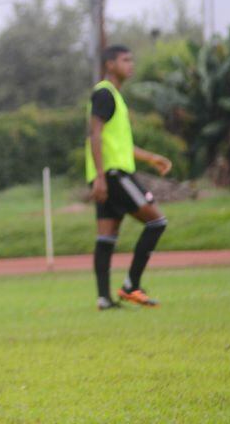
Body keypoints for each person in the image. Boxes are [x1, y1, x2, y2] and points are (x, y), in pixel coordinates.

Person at [86, 45, 173, 311]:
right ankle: (130, 286)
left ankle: (104, 299)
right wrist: (101, 177)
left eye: (132, 59)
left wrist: (150, 158)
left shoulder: (115, 97)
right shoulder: (105, 93)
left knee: (106, 237)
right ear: (110, 64)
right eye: (125, 60)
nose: (131, 64)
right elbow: (95, 135)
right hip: (112, 175)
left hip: (110, 173)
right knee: (157, 221)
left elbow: (120, 145)